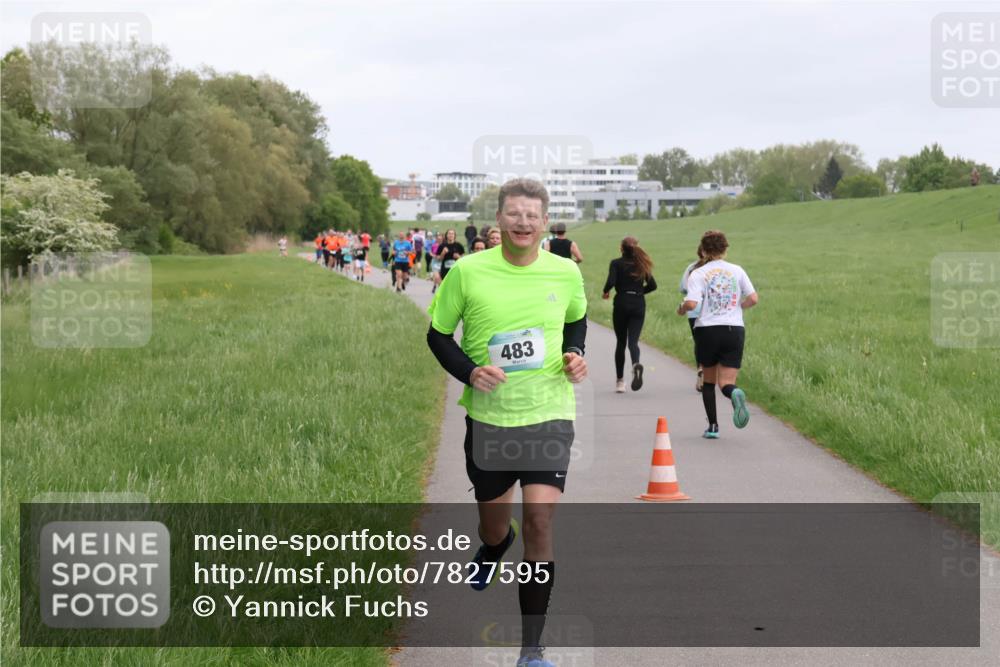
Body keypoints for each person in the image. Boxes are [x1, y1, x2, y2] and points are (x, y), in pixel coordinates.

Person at [426, 178, 587, 667]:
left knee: (540, 522)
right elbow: (437, 336)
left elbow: (577, 320)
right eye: (513, 214)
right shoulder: (468, 271)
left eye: (531, 215)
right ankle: (496, 545)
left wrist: (575, 352)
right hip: (491, 421)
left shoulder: (564, 272)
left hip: (549, 414)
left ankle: (532, 650)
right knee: (496, 527)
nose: (523, 222)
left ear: (544, 222)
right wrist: (470, 372)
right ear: (499, 219)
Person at [678, 230, 758, 439]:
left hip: (708, 330)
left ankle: (713, 427)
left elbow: (692, 303)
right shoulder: (737, 270)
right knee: (726, 382)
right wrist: (739, 306)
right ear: (725, 249)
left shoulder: (698, 273)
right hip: (734, 329)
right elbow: (754, 298)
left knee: (709, 382)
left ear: (703, 250)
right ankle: (734, 393)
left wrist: (682, 308)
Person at [602, 236, 656, 393]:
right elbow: (653, 285)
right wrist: (639, 292)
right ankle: (636, 364)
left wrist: (605, 291)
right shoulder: (642, 264)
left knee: (621, 343)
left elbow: (611, 281)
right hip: (638, 304)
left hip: (621, 303)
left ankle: (620, 382)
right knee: (633, 342)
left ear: (621, 248)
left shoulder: (616, 263)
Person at [680, 248, 707, 392]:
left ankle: (700, 369)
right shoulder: (718, 268)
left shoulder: (692, 268)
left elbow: (683, 288)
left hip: (693, 310)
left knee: (699, 342)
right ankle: (711, 373)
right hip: (711, 311)